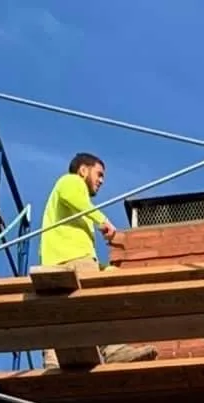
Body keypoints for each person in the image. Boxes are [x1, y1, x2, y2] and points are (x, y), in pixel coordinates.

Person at [38, 152, 158, 369]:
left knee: (58, 312)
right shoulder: (71, 181)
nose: (101, 181)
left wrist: (105, 269)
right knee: (96, 304)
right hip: (71, 261)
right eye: (99, 174)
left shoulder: (77, 212)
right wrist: (103, 221)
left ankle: (53, 361)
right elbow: (72, 197)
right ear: (83, 170)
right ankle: (112, 350)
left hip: (62, 260)